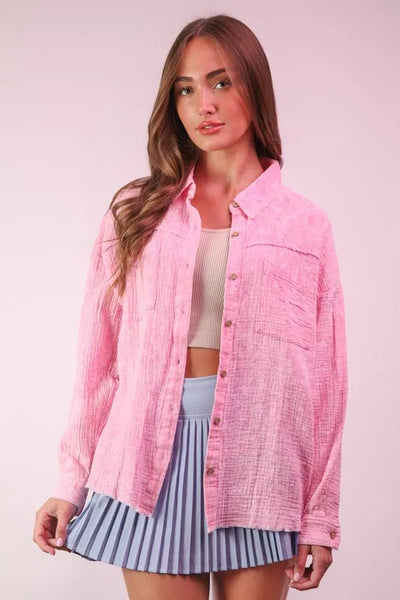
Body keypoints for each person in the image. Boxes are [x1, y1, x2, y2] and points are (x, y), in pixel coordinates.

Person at [33, 13, 348, 600]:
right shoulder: (136, 212)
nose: (204, 104)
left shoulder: (306, 226)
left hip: (260, 470)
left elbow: (326, 384)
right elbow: (98, 362)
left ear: (255, 86)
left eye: (221, 82)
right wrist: (71, 481)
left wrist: (320, 516)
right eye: (185, 89)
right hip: (147, 464)